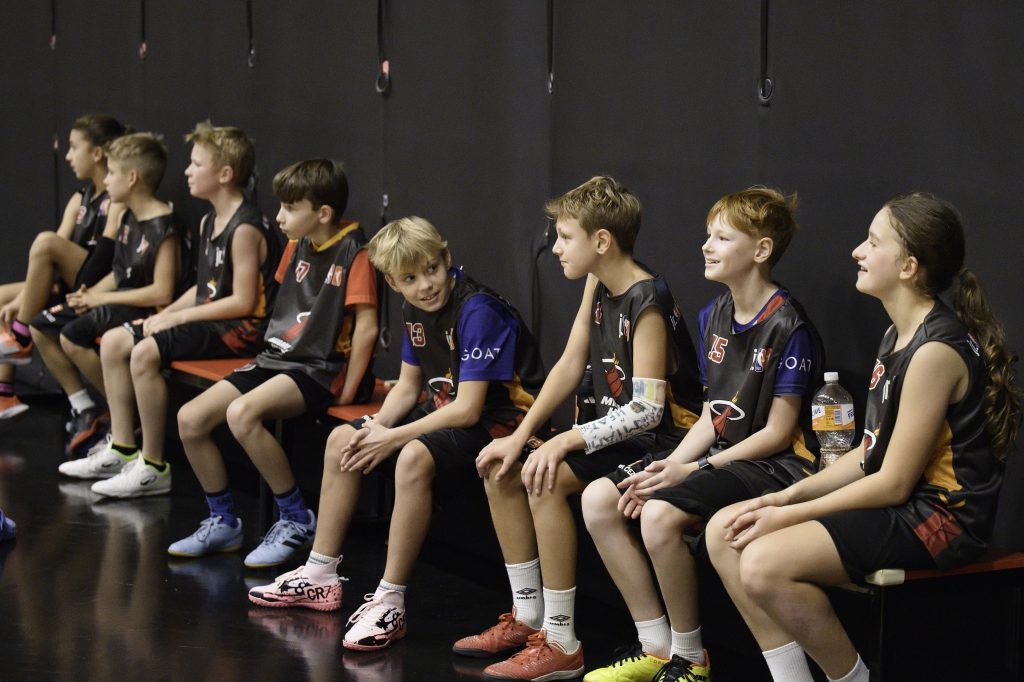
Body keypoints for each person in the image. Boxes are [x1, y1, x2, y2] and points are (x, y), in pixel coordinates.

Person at [705, 193, 1022, 682]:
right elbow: (867, 454)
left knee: (763, 562)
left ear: (908, 267)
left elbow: (893, 483)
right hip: (905, 505)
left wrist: (787, 514)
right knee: (724, 529)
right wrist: (781, 498)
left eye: (873, 243)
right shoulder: (897, 334)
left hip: (942, 520)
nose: (857, 251)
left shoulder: (934, 351)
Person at [247, 216, 545, 655]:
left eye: (432, 269)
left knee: (411, 456)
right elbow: (407, 387)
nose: (425, 285)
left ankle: (390, 601)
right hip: (451, 410)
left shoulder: (477, 309)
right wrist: (377, 428)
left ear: (446, 257)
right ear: (392, 282)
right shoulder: (412, 309)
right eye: (409, 278)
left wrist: (394, 438)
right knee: (342, 440)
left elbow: (468, 409)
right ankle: (320, 574)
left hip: (506, 418)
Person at [457, 176, 703, 681]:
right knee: (505, 468)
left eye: (566, 236)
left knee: (543, 477)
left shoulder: (647, 300)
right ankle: (530, 617)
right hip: (618, 431)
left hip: (666, 440)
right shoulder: (598, 282)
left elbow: (648, 411)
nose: (555, 247)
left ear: (602, 241)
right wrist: (522, 435)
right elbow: (570, 363)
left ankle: (562, 639)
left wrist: (565, 440)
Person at [580, 187, 823, 682]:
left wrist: (696, 467)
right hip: (725, 454)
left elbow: (779, 433)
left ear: (761, 250)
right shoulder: (713, 314)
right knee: (614, 498)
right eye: (707, 235)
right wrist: (674, 464)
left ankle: (691, 659)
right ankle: (666, 650)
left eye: (722, 238)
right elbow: (714, 411)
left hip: (778, 465)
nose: (706, 246)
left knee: (659, 515)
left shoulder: (789, 325)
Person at [167, 158, 378, 569]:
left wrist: (349, 390)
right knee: (190, 419)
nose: (279, 217)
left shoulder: (356, 253)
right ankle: (223, 521)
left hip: (321, 368)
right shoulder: (298, 243)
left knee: (241, 414)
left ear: (323, 213)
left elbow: (367, 330)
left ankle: (297, 517)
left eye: (290, 208)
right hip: (279, 358)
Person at [88, 121, 280, 498]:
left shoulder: (244, 227)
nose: (187, 171)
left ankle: (153, 465)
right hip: (217, 322)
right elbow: (204, 288)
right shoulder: (210, 220)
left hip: (245, 329)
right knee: (114, 341)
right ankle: (122, 447)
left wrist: (177, 317)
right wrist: (164, 315)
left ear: (225, 174)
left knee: (144, 352)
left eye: (196, 164)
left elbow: (242, 302)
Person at [48, 132, 179, 471]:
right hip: (122, 302)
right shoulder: (127, 217)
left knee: (76, 334)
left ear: (132, 178)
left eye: (111, 173)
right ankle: (119, 438)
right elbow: (120, 273)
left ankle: (124, 427)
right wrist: (90, 295)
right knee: (53, 325)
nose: (105, 181)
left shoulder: (165, 225)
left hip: (150, 311)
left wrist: (101, 298)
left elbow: (162, 292)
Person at [0, 114, 128, 428]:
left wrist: (25, 304)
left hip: (99, 284)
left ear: (97, 153)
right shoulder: (78, 199)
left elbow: (96, 259)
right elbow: (44, 262)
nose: (67, 156)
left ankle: (20, 338)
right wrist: (23, 299)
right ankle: (7, 393)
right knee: (3, 298)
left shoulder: (118, 198)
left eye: (73, 147)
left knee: (46, 243)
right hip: (68, 283)